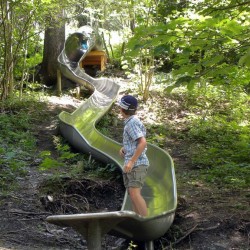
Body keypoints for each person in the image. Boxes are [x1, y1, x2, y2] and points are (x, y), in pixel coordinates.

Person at [117, 95, 149, 216]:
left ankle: (145, 221)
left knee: (135, 194)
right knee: (132, 194)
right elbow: (134, 142)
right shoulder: (131, 121)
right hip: (133, 163)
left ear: (122, 109)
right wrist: (124, 149)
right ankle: (139, 221)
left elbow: (142, 142)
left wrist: (131, 161)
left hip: (137, 164)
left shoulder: (131, 123)